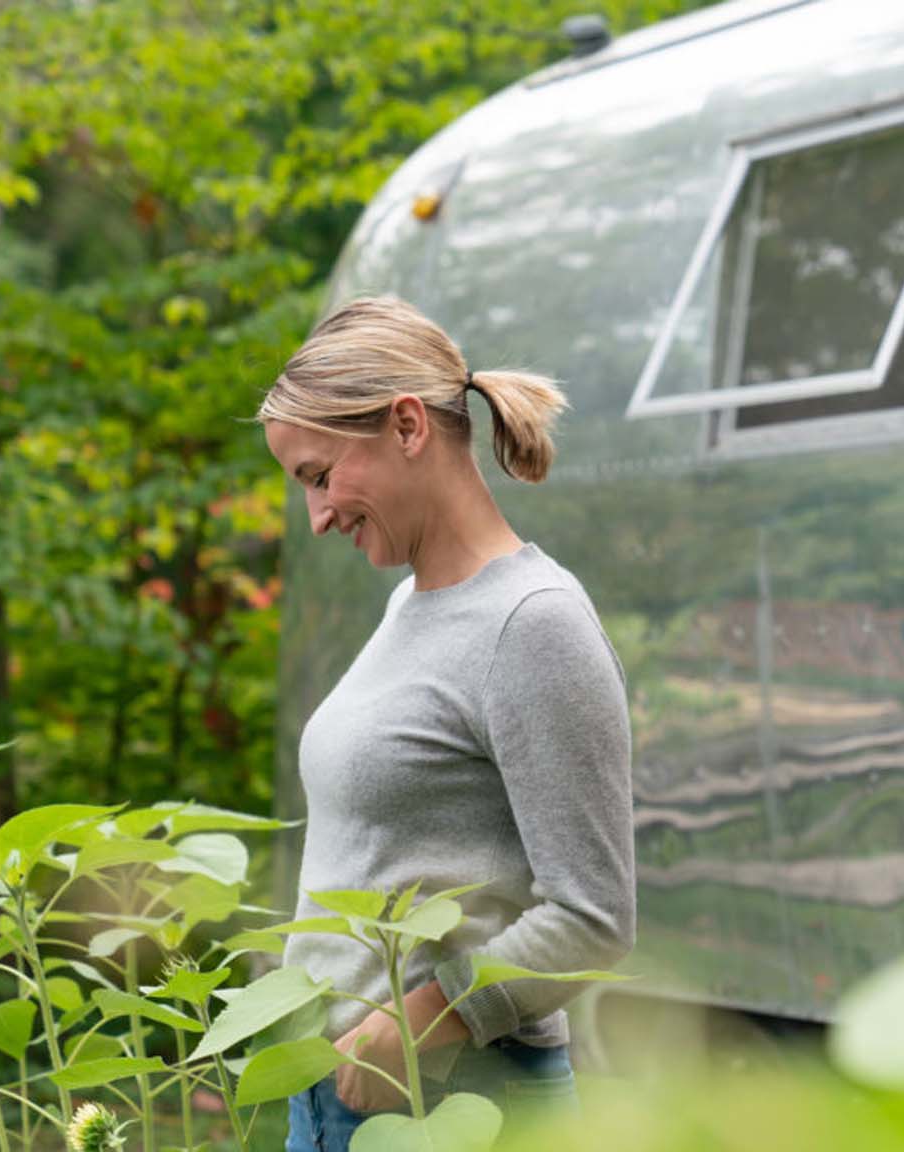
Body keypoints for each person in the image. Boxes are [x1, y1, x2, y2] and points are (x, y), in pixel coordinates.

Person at [255, 295, 636, 1152]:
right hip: (335, 1097)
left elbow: (594, 916)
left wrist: (424, 1019)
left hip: (459, 1100)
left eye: (318, 476)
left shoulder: (533, 623)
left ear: (405, 427)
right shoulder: (411, 605)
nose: (316, 517)